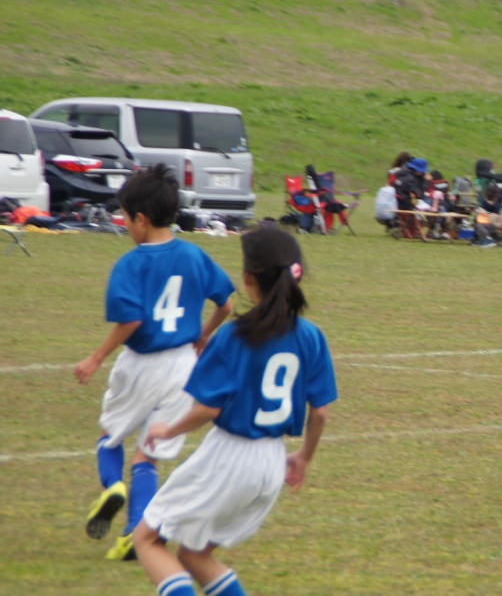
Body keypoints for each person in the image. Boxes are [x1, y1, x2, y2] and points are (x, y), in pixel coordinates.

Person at [132, 227, 338, 596]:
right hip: (271, 466)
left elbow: (208, 408)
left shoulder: (234, 336)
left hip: (228, 458)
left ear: (247, 279)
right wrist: (304, 457)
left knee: (147, 539)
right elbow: (320, 412)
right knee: (194, 554)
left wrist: (168, 430)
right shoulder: (312, 336)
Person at [73, 164, 235, 561]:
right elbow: (226, 303)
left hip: (140, 364)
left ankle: (113, 485)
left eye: (126, 218)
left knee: (110, 435)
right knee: (149, 452)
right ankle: (135, 530)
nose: (125, 225)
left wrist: (96, 356)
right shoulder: (194, 254)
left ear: (141, 219)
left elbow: (131, 321)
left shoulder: (131, 263)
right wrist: (203, 333)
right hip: (183, 367)